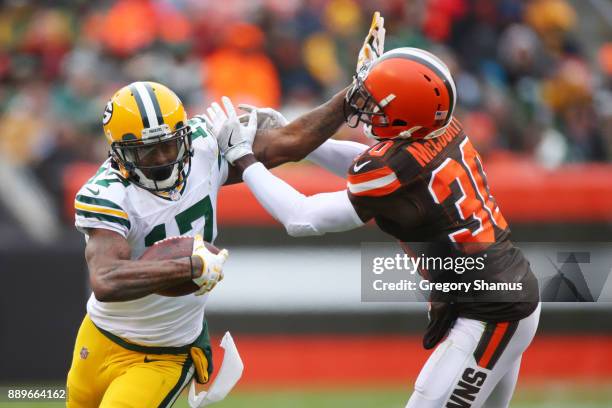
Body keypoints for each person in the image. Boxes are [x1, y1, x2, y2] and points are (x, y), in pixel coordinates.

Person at [208, 42, 541, 408]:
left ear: (407, 113)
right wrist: (294, 135)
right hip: (504, 291)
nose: (366, 107)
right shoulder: (440, 129)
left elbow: (301, 217)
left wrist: (245, 159)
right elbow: (374, 168)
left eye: (375, 102)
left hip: (492, 311)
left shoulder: (394, 167)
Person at [66, 78, 352, 407]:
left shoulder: (204, 146)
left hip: (165, 351)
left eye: (169, 145)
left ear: (184, 134)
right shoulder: (108, 193)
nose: (162, 158)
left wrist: (353, 94)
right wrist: (190, 267)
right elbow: (106, 279)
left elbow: (293, 141)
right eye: (147, 150)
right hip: (100, 333)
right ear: (119, 153)